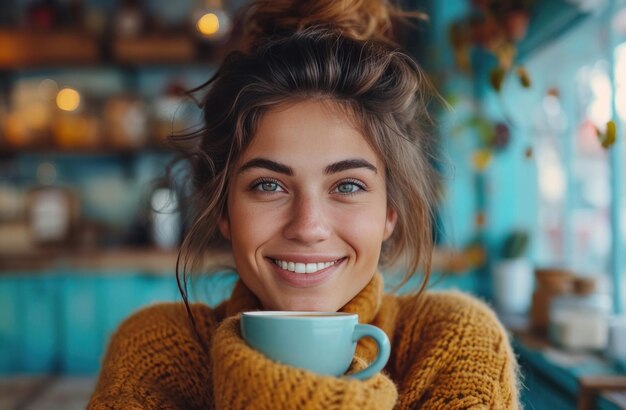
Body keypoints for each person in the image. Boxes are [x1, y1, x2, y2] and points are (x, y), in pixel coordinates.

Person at [89, 1, 520, 408]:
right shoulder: (155, 351)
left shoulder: (450, 340)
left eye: (348, 186)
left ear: (390, 212)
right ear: (223, 211)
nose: (308, 226)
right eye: (268, 186)